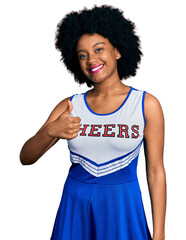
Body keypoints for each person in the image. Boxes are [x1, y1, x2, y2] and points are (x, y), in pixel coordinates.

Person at [20, 5, 166, 240]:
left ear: (118, 50)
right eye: (82, 55)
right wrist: (50, 131)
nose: (91, 60)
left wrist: (159, 234)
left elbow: (156, 171)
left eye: (99, 49)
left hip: (123, 209)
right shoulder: (70, 105)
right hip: (75, 208)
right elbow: (25, 157)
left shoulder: (145, 104)